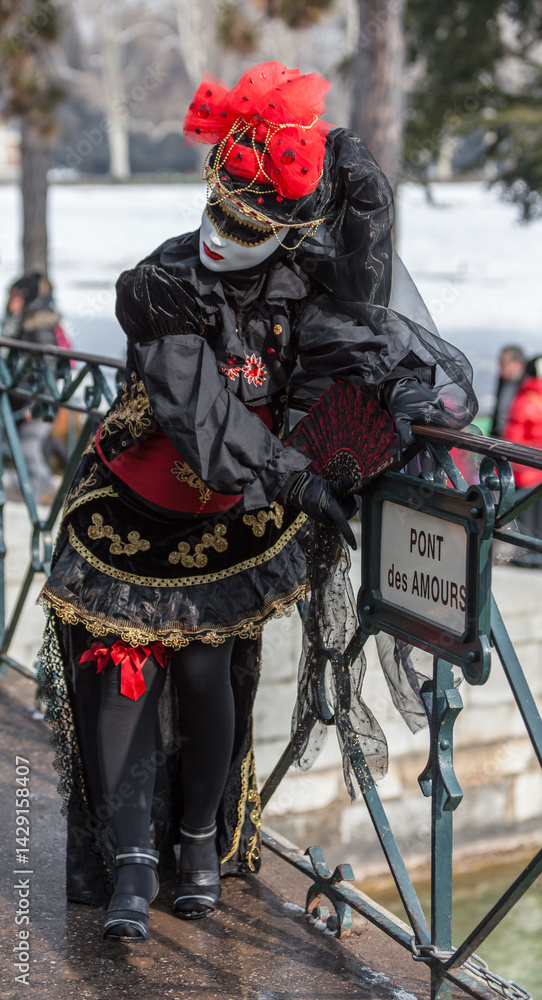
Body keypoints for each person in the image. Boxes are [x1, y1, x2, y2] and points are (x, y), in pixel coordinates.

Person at [37, 61, 477, 942]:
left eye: (249, 224)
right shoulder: (164, 284)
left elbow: (346, 349)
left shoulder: (300, 292)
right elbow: (198, 413)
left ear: (287, 231)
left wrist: (377, 421)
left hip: (227, 523)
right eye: (218, 211)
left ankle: (199, 843)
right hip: (130, 516)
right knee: (120, 674)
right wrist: (294, 477)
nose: (221, 236)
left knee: (207, 674)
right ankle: (131, 861)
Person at [2, 273, 63, 503]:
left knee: (27, 445)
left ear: (26, 298)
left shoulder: (39, 327)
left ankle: (40, 493)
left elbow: (49, 367)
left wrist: (37, 403)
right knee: (13, 442)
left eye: (16, 296)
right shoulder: (17, 323)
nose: (10, 301)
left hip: (37, 401)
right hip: (18, 398)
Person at [503, 356, 542, 566]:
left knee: (525, 517)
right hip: (537, 472)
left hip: (524, 470)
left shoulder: (523, 401)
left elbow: (513, 441)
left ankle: (525, 555)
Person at [490, 345, 526, 438]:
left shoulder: (527, 385)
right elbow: (498, 413)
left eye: (504, 362)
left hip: (518, 440)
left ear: (518, 364)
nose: (500, 366)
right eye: (500, 362)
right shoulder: (502, 381)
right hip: (500, 438)